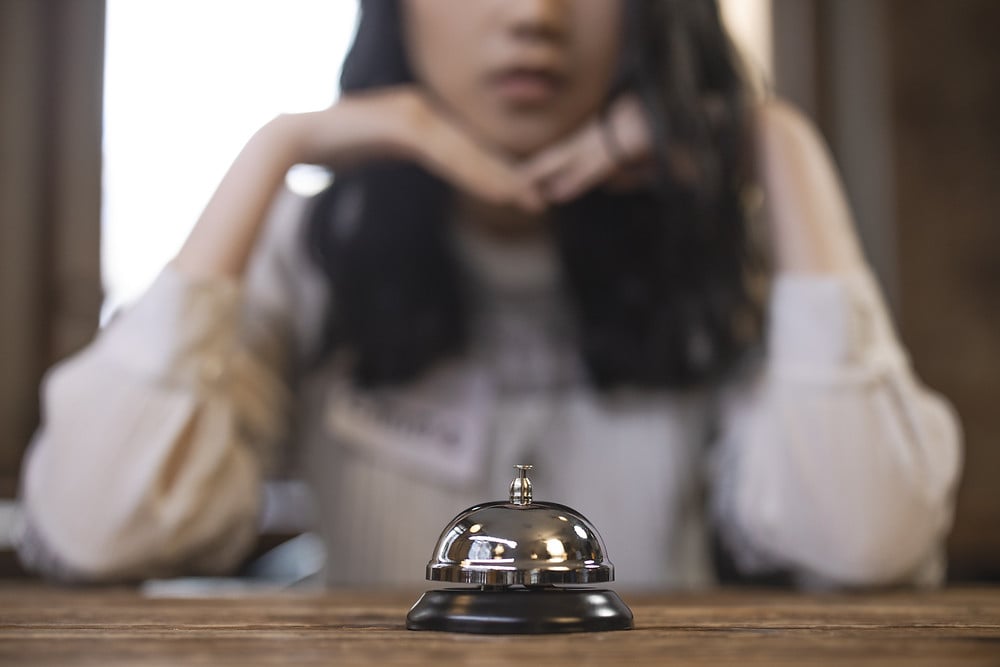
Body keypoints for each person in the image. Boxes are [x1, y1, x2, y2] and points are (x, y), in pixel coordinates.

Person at [18, 0, 961, 590]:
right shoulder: (314, 246)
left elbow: (866, 538)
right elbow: (97, 523)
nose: (533, 15)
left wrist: (770, 137)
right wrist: (280, 146)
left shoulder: (722, 254)